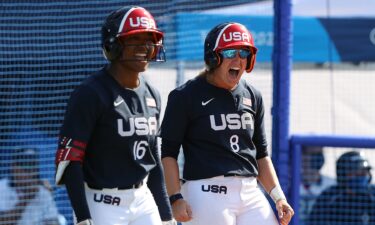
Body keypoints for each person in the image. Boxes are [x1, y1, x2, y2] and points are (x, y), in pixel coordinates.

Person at [160, 22, 294, 225]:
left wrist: (279, 197)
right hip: (206, 191)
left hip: (250, 192)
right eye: (231, 52)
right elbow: (168, 153)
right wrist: (175, 198)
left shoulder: (253, 95)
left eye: (243, 53)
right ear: (214, 57)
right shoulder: (185, 96)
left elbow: (261, 155)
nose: (238, 59)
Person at [54, 6, 175, 225]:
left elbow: (153, 159)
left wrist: (166, 215)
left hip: (143, 200)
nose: (145, 47)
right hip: (102, 204)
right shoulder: (90, 93)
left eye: (150, 39)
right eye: (135, 39)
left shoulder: (153, 94)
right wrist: (83, 217)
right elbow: (69, 160)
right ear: (113, 45)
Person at [308, 151, 375, 225]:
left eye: (363, 173)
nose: (360, 177)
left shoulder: (372, 195)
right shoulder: (329, 197)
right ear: (342, 174)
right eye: (355, 173)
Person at [0, 148, 61, 225]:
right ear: (13, 167)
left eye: (32, 166)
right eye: (25, 166)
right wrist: (26, 199)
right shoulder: (1, 188)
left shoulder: (43, 193)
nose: (30, 171)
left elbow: (53, 221)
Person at [299, 146, 335, 224]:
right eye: (313, 154)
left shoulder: (332, 184)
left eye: (320, 153)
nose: (318, 157)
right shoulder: (288, 185)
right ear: (302, 156)